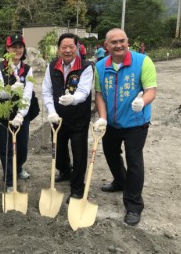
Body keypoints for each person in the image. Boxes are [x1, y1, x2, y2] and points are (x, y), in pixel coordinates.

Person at [94, 28, 157, 226]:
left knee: (134, 160)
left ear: (128, 42)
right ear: (106, 46)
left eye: (122, 41)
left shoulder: (142, 62)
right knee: (111, 154)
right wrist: (102, 118)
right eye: (114, 42)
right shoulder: (100, 66)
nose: (119, 45)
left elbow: (150, 90)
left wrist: (143, 102)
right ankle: (120, 182)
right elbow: (99, 95)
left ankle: (133, 205)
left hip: (136, 123)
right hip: (112, 123)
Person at [42, 33, 93, 202]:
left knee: (79, 152)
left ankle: (77, 188)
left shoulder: (85, 67)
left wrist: (73, 99)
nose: (68, 50)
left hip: (79, 117)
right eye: (64, 47)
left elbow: (84, 91)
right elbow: (46, 91)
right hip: (57, 117)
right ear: (58, 49)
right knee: (59, 148)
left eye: (71, 46)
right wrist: (51, 111)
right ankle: (64, 171)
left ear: (77, 48)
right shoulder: (52, 67)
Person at [0, 34, 33, 192]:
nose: (16, 50)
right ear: (7, 48)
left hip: (21, 114)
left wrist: (20, 115)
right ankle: (9, 180)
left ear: (23, 49)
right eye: (13, 47)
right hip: (4, 114)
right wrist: (11, 90)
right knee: (6, 148)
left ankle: (18, 168)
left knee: (22, 147)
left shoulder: (27, 69)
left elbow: (28, 94)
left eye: (19, 46)